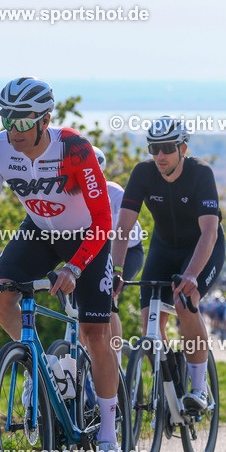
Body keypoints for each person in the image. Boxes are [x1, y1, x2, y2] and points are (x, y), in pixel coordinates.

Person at [0, 77, 121, 452]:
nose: (14, 130)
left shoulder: (73, 148)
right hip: (40, 232)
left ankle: (109, 437)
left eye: (23, 121)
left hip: (87, 238)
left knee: (95, 334)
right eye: (6, 119)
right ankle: (40, 367)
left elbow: (103, 219)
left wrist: (75, 267)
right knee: (0, 295)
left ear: (45, 120)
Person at [111, 117, 225, 413]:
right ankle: (169, 382)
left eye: (167, 148)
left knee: (185, 302)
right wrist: (117, 271)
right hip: (163, 248)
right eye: (154, 148)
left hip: (202, 248)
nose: (160, 155)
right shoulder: (143, 173)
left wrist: (191, 275)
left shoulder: (200, 173)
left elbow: (209, 232)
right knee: (149, 320)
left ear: (183, 148)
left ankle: (199, 388)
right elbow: (123, 227)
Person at [93, 145, 143, 367]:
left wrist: (116, 271)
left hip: (128, 251)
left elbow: (121, 233)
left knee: (108, 297)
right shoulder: (74, 196)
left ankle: (116, 362)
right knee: (81, 302)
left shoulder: (115, 193)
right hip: (99, 251)